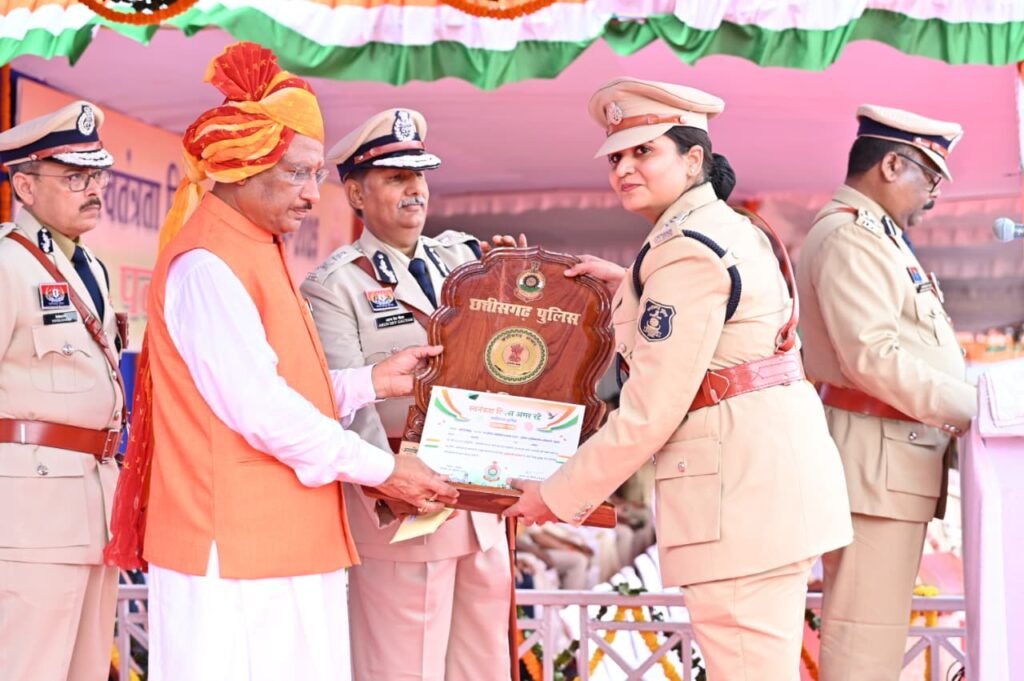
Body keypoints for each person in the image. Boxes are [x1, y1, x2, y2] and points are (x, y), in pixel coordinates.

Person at [103, 43, 457, 681]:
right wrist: (384, 468)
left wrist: (370, 382)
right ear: (241, 167)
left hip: (278, 542)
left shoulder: (254, 247)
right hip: (236, 550)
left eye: (315, 175)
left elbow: (279, 386)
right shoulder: (208, 265)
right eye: (297, 174)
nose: (313, 196)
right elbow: (263, 412)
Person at [505, 77, 853, 681]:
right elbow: (723, 330)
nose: (624, 168)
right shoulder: (727, 227)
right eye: (616, 157)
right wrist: (634, 285)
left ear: (694, 159)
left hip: (737, 503)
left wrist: (556, 495)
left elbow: (650, 412)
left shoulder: (684, 250)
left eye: (644, 151)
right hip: (765, 490)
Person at [301, 108, 519, 681]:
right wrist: (390, 487)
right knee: (403, 668)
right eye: (396, 178)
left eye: (418, 175)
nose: (414, 189)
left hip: (481, 502)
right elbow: (346, 404)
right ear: (356, 194)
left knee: (483, 667)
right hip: (404, 505)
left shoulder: (465, 261)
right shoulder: (334, 286)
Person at [795, 105, 976, 681]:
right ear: (892, 165)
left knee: (876, 637)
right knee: (863, 644)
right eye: (930, 177)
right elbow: (872, 356)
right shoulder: (852, 235)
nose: (935, 196)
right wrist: (975, 410)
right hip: (875, 465)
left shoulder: (878, 236)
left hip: (890, 461)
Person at [0, 99, 124, 681]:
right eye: (74, 177)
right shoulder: (7, 264)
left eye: (97, 175)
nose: (92, 189)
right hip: (30, 518)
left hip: (94, 508)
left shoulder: (91, 266)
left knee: (86, 670)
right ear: (24, 187)